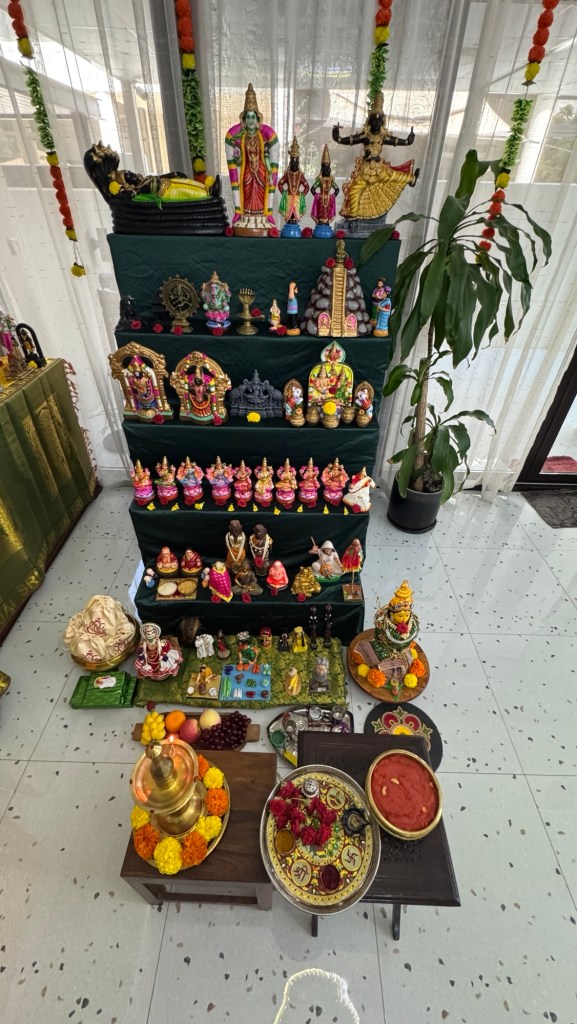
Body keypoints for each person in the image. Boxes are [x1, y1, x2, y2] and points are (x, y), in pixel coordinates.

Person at [333, 91, 418, 221]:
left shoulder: (383, 136)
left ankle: (412, 179)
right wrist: (338, 137)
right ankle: (353, 215)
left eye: (379, 121)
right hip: (366, 169)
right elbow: (349, 140)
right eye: (374, 120)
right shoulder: (365, 135)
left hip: (379, 168)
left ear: (382, 122)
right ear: (369, 121)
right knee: (354, 190)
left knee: (394, 176)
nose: (376, 123)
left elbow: (397, 141)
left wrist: (408, 141)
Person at [224, 83, 279, 234]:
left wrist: (269, 171)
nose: (250, 120)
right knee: (248, 189)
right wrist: (237, 156)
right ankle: (245, 213)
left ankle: (262, 214)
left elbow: (266, 155)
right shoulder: (241, 136)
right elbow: (238, 161)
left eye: (253, 117)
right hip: (247, 170)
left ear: (257, 118)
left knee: (260, 190)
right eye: (248, 117)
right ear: (244, 119)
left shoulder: (263, 136)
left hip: (260, 170)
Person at [277, 137, 310, 234]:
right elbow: (280, 184)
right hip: (288, 196)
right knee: (289, 211)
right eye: (293, 161)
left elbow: (307, 186)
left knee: (296, 210)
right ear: (290, 162)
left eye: (296, 161)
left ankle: (294, 220)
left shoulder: (300, 175)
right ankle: (290, 220)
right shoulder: (287, 174)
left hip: (297, 198)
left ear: (298, 162)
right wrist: (284, 193)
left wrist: (302, 195)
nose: (294, 163)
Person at [310, 144, 339, 235]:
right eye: (325, 168)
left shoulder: (331, 180)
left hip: (329, 199)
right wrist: (318, 196)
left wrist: (332, 196)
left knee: (327, 212)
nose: (326, 169)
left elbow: (337, 189)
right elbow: (312, 189)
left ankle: (326, 222)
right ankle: (320, 221)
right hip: (320, 199)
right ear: (322, 169)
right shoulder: (320, 180)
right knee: (320, 211)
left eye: (328, 168)